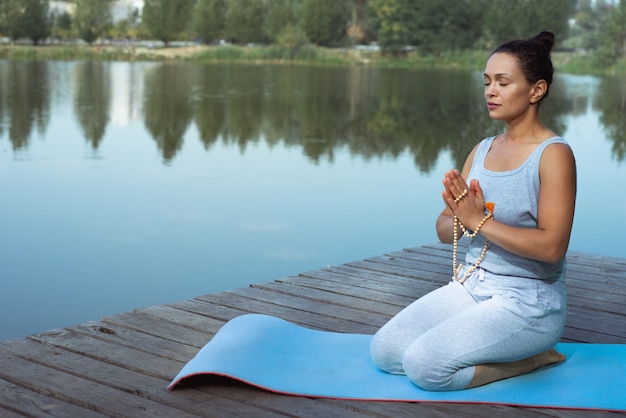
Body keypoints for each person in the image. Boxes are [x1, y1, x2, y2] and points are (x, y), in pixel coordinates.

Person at [370, 31, 577, 391]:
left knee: (426, 368)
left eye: (502, 82)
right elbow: (443, 227)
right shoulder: (482, 151)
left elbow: (552, 248)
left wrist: (477, 220)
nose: (490, 92)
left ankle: (532, 359)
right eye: (486, 82)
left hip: (528, 302)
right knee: (385, 352)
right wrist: (456, 215)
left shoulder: (553, 155)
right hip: (472, 286)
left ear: (536, 90)